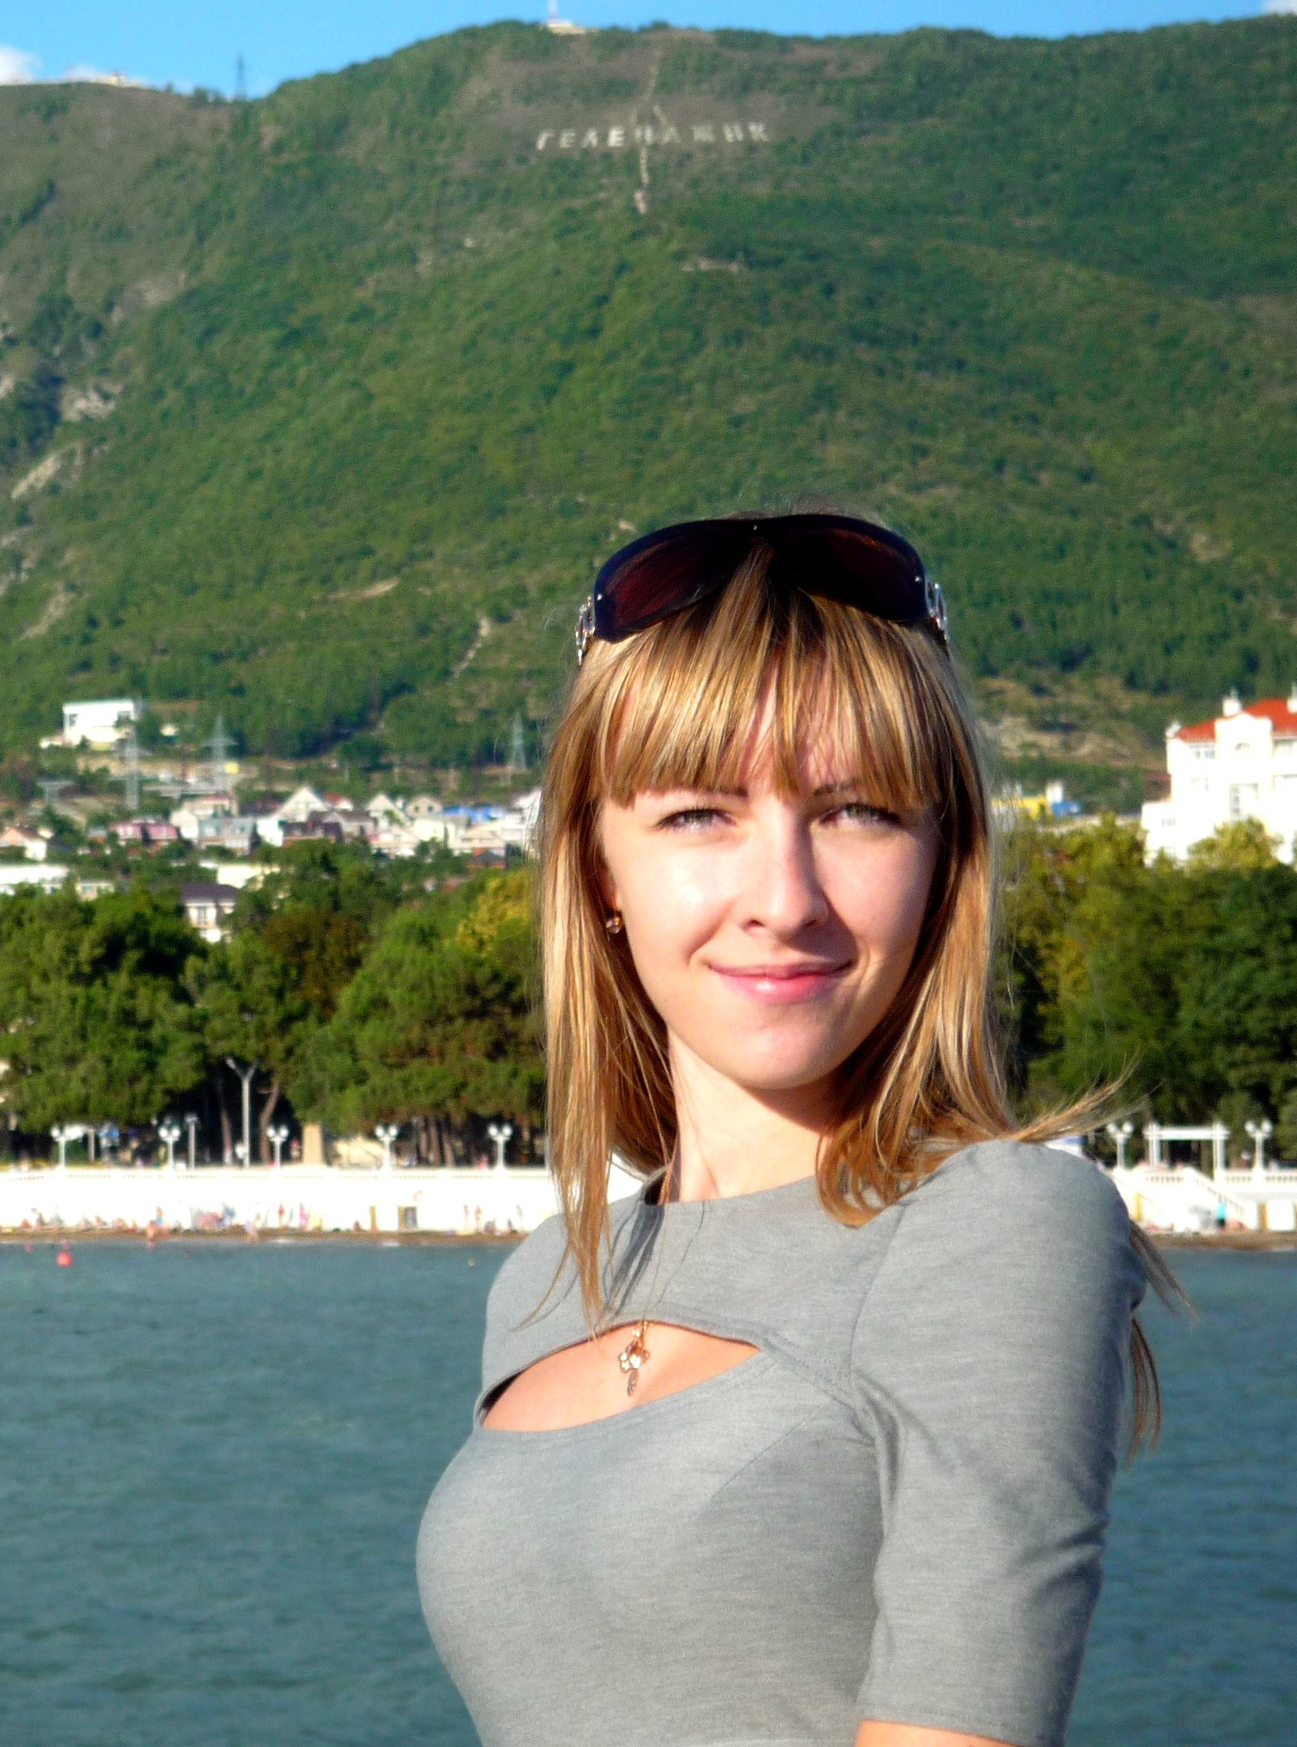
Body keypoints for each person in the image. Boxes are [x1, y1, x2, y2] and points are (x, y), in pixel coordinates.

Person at [418, 513, 1168, 1747]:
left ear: (941, 857)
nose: (785, 899)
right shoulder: (548, 1280)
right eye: (697, 815)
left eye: (857, 812)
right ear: (598, 868)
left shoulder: (997, 1224)